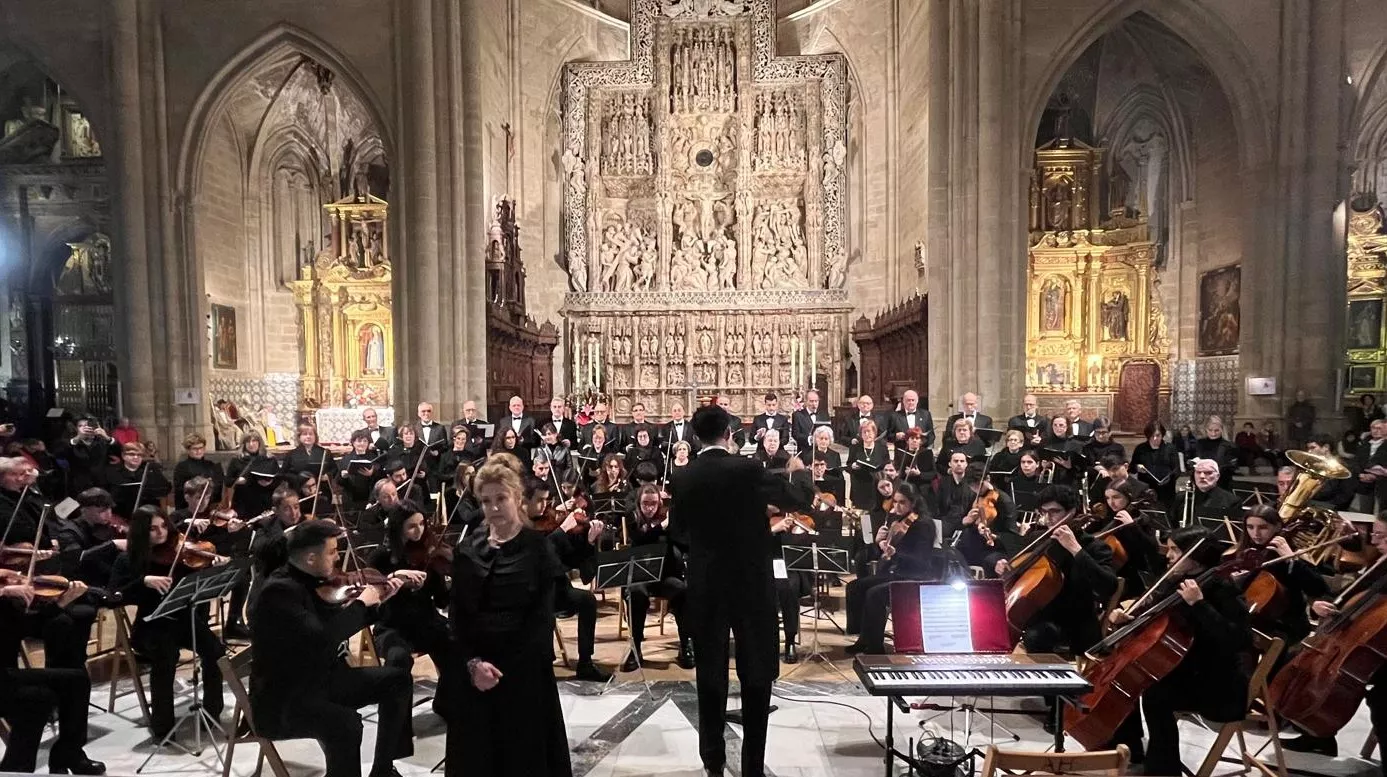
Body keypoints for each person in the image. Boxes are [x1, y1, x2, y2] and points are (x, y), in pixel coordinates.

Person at [667, 404, 813, 777]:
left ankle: (713, 761)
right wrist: (798, 473)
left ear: (696, 437)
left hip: (707, 584)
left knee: (710, 674)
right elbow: (798, 500)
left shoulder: (683, 476)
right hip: (751, 583)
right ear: (729, 434)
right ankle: (751, 767)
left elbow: (678, 533)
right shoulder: (748, 469)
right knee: (756, 674)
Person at [252, 520, 414, 777]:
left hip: (320, 680)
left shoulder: (314, 580)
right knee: (346, 724)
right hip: (285, 699)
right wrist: (361, 604)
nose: (338, 558)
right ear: (310, 557)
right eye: (332, 552)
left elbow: (341, 623)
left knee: (398, 681)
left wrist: (380, 601)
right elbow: (325, 638)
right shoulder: (279, 592)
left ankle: (383, 770)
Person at [447, 456, 572, 776]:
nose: (493, 508)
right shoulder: (468, 550)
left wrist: (506, 670)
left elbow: (541, 620)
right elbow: (458, 617)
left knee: (524, 756)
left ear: (517, 498)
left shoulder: (538, 549)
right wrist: (473, 664)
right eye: (485, 501)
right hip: (476, 670)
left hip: (524, 672)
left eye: (500, 498)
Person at [1107, 526, 1252, 774]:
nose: (1168, 555)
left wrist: (1199, 605)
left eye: (1176, 550)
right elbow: (1154, 617)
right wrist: (1126, 618)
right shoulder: (1175, 580)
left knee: (1156, 695)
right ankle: (1131, 748)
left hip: (1217, 681)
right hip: (1185, 667)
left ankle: (1163, 769)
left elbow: (1238, 640)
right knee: (1131, 679)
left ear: (1196, 557)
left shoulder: (1222, 588)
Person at [109, 506, 229, 740]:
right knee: (166, 657)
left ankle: (212, 711)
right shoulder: (128, 560)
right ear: (141, 532)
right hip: (151, 625)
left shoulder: (181, 554)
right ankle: (163, 727)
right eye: (153, 529)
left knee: (216, 652)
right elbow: (113, 595)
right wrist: (143, 581)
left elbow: (196, 584)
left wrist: (214, 570)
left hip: (183, 619)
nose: (161, 533)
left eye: (164, 526)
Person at [990, 485, 1118, 658]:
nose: (1048, 518)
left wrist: (1075, 549)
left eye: (1054, 511)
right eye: (1044, 512)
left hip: (1077, 623)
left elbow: (1109, 585)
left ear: (1072, 512)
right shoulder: (1038, 539)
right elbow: (1019, 577)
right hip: (1039, 617)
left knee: (1037, 636)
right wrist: (1004, 567)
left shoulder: (1094, 546)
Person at [0, 569, 104, 774]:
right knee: (39, 698)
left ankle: (64, 754)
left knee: (69, 683)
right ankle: (19, 769)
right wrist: (3, 592)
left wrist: (60, 604)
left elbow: (29, 628)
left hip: (6, 675)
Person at [368, 503, 451, 715]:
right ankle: (399, 725)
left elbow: (441, 601)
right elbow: (372, 601)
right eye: (412, 526)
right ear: (398, 528)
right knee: (398, 659)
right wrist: (393, 578)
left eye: (422, 524)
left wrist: (449, 576)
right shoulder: (381, 557)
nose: (420, 530)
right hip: (392, 626)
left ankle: (445, 703)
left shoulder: (429, 554)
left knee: (456, 646)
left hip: (426, 622)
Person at [844, 482, 944, 654]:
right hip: (897, 573)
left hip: (915, 577)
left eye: (902, 502)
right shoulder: (898, 522)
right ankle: (863, 636)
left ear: (913, 503)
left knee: (874, 593)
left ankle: (875, 646)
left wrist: (895, 552)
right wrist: (879, 542)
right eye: (895, 502)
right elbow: (881, 554)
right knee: (855, 587)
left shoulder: (923, 525)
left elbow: (920, 560)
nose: (896, 506)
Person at [620, 484, 691, 670]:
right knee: (636, 594)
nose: (649, 508)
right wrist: (662, 527)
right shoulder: (633, 518)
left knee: (682, 591)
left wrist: (674, 526)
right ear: (639, 503)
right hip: (640, 577)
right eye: (645, 503)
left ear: (659, 502)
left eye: (653, 503)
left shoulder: (668, 518)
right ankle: (635, 650)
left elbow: (683, 543)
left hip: (664, 577)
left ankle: (685, 646)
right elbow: (641, 539)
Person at [1131, 422, 1179, 507]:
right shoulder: (1140, 449)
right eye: (1152, 436)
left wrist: (1169, 478)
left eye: (1158, 435)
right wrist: (1136, 467)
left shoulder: (1170, 448)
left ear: (1162, 435)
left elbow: (1176, 470)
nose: (1155, 438)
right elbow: (1131, 468)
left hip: (1166, 490)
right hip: (1147, 489)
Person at [171, 434, 224, 509]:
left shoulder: (212, 465)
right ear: (188, 450)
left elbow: (218, 487)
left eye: (201, 448)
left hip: (210, 507)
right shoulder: (182, 467)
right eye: (194, 449)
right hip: (189, 508)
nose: (198, 451)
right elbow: (180, 491)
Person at [846, 419, 888, 509]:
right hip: (859, 487)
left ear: (874, 432)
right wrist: (852, 466)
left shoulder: (882, 448)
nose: (867, 434)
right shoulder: (855, 448)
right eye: (864, 432)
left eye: (869, 431)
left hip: (877, 487)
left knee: (876, 518)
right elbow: (848, 465)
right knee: (862, 519)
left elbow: (886, 466)